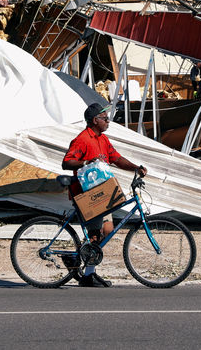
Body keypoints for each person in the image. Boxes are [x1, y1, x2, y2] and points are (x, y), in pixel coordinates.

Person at [62, 102, 147, 288]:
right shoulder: (82, 139)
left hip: (102, 193)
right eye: (105, 118)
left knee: (107, 231)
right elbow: (67, 162)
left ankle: (76, 259)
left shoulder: (103, 139)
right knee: (94, 234)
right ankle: (87, 276)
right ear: (95, 120)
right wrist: (86, 161)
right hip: (87, 195)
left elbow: (116, 158)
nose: (108, 121)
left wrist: (135, 168)